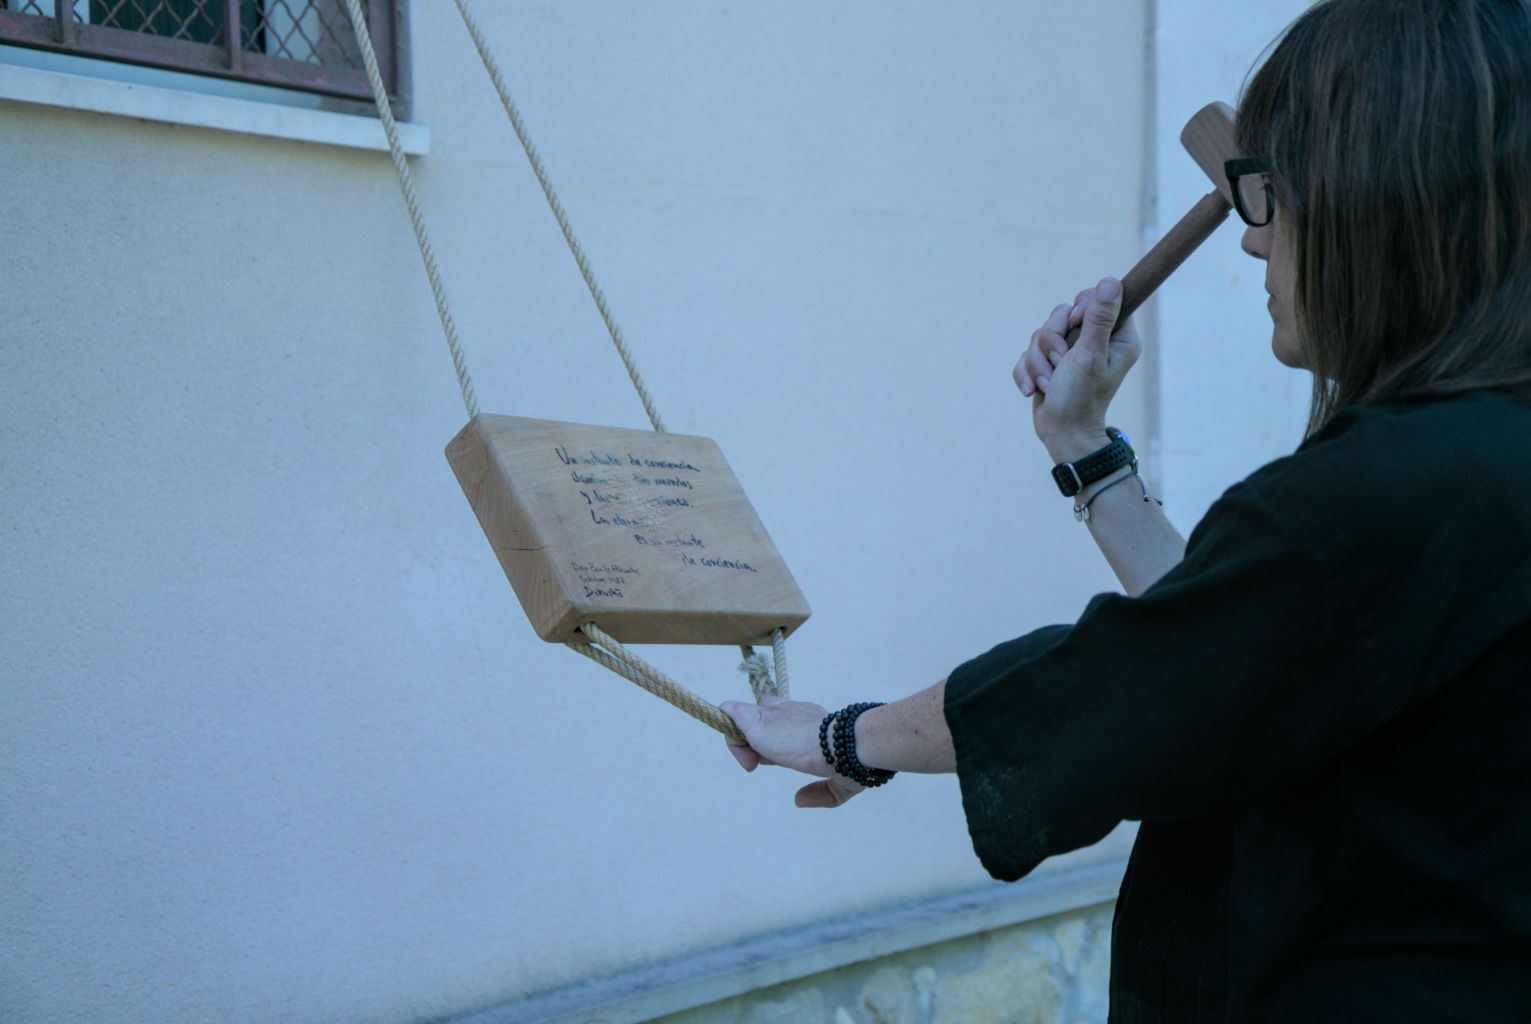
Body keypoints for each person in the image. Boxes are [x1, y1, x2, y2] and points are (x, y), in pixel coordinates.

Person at [720, 0, 1531, 1020]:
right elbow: (1231, 651)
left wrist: (848, 736)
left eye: (1270, 192)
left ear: (1380, 201)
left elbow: (1127, 688)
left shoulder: (1393, 486)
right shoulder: (1482, 459)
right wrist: (1083, 448)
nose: (1253, 241)